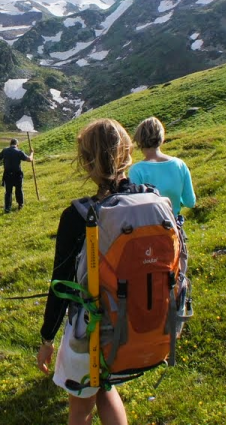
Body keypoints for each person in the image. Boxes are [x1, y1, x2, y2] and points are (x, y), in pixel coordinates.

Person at [36, 119, 132, 425]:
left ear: (87, 160)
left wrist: (47, 339)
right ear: (126, 151)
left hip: (89, 329)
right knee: (106, 388)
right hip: (133, 322)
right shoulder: (148, 198)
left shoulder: (77, 216)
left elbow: (60, 282)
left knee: (80, 409)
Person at [128, 117, 195, 220]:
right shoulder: (180, 165)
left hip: (147, 228)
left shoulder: (136, 170)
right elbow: (190, 202)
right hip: (173, 228)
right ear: (161, 138)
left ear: (139, 141)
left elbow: (134, 208)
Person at [0, 138, 33, 213]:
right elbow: (29, 159)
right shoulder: (19, 152)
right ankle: (20, 205)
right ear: (17, 145)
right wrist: (32, 153)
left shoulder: (5, 150)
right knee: (19, 190)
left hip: (7, 174)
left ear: (10, 144)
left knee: (8, 191)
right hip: (17, 174)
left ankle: (7, 208)